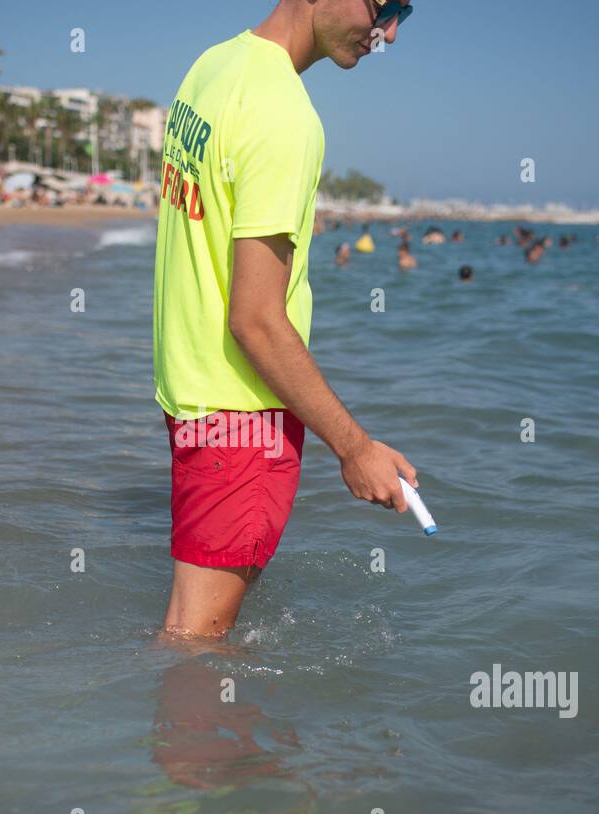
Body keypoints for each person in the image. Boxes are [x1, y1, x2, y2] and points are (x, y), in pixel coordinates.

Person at [152, 0, 417, 640]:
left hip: (190, 392)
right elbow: (257, 321)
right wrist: (356, 451)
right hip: (241, 417)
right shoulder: (286, 118)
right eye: (388, 6)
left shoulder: (213, 66)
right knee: (196, 648)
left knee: (198, 637)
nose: (390, 33)